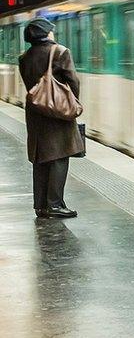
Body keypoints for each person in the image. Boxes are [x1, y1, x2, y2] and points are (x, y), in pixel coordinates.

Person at [18, 17, 84, 218]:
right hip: (57, 112)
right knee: (59, 156)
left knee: (41, 158)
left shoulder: (24, 57)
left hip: (36, 112)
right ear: (46, 33)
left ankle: (41, 205)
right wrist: (70, 105)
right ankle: (55, 204)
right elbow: (73, 82)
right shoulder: (60, 52)